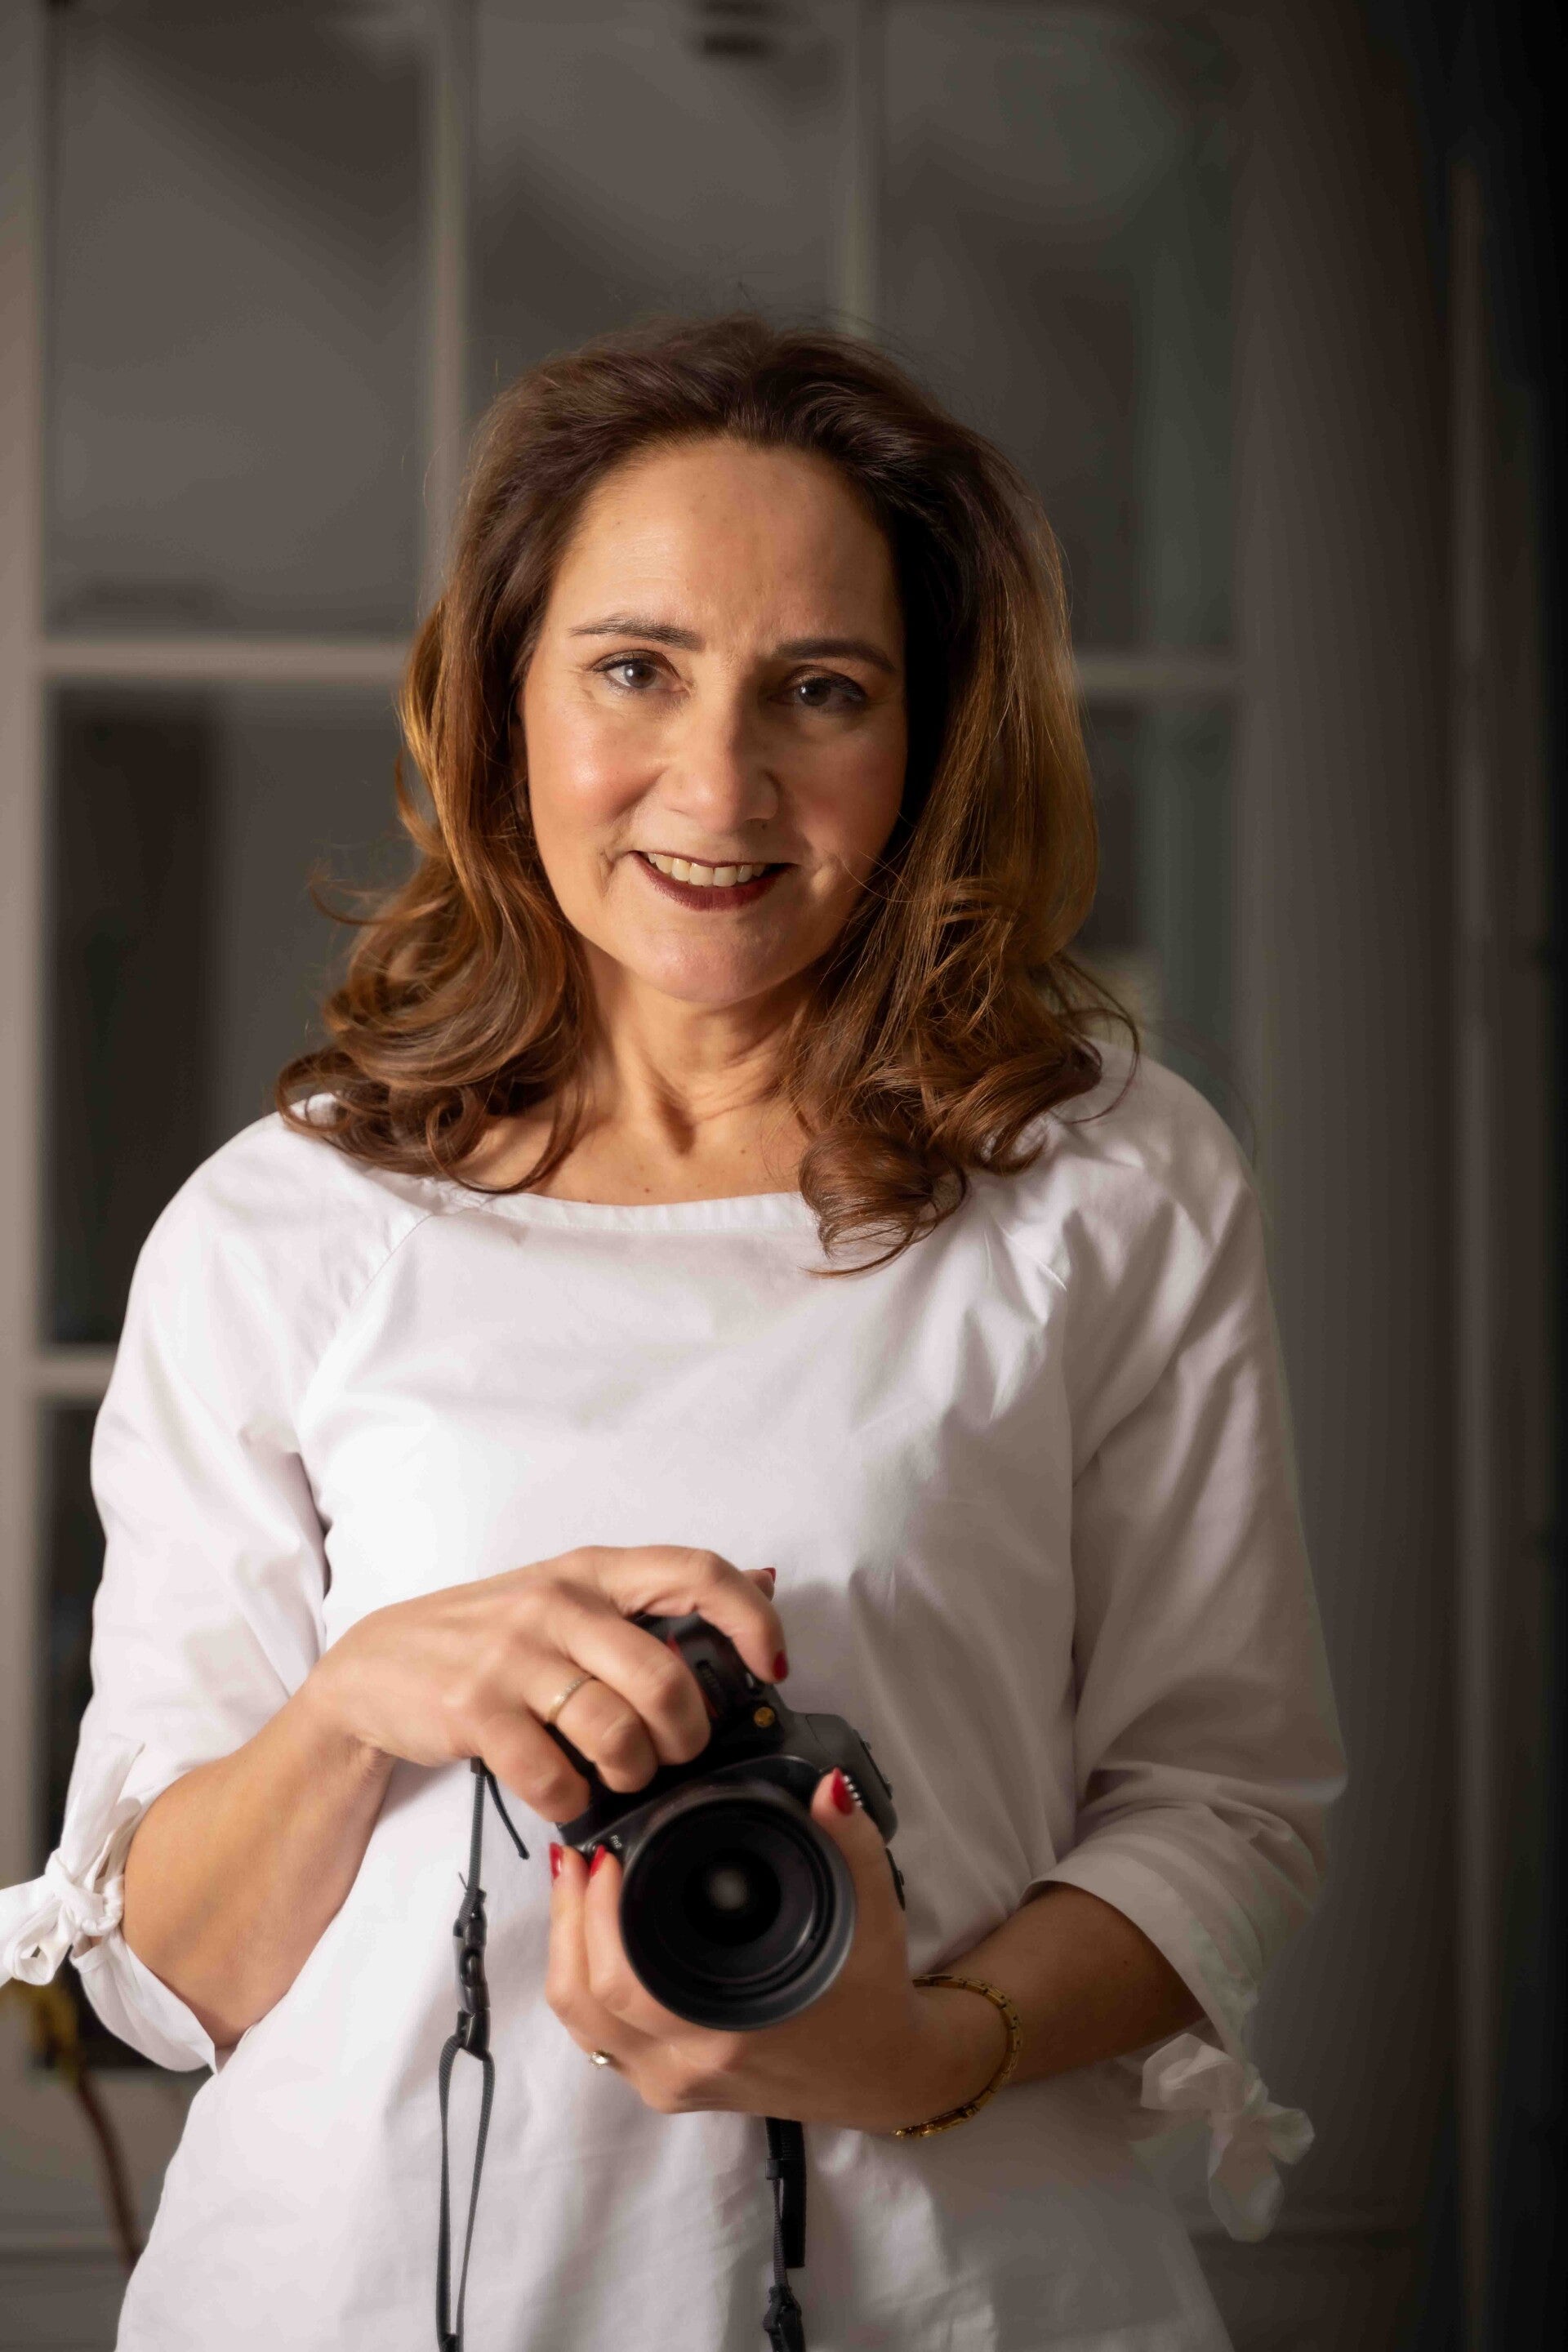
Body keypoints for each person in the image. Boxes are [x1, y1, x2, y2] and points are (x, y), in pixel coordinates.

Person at [1, 314, 1345, 2350]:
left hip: (964, 2293)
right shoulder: (284, 1223)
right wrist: (362, 1700)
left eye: (824, 690)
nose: (719, 786)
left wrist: (926, 2052)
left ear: (932, 740)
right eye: (635, 668)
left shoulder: (1107, 1182)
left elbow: (1224, 1802)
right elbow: (167, 1981)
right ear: (501, 705)